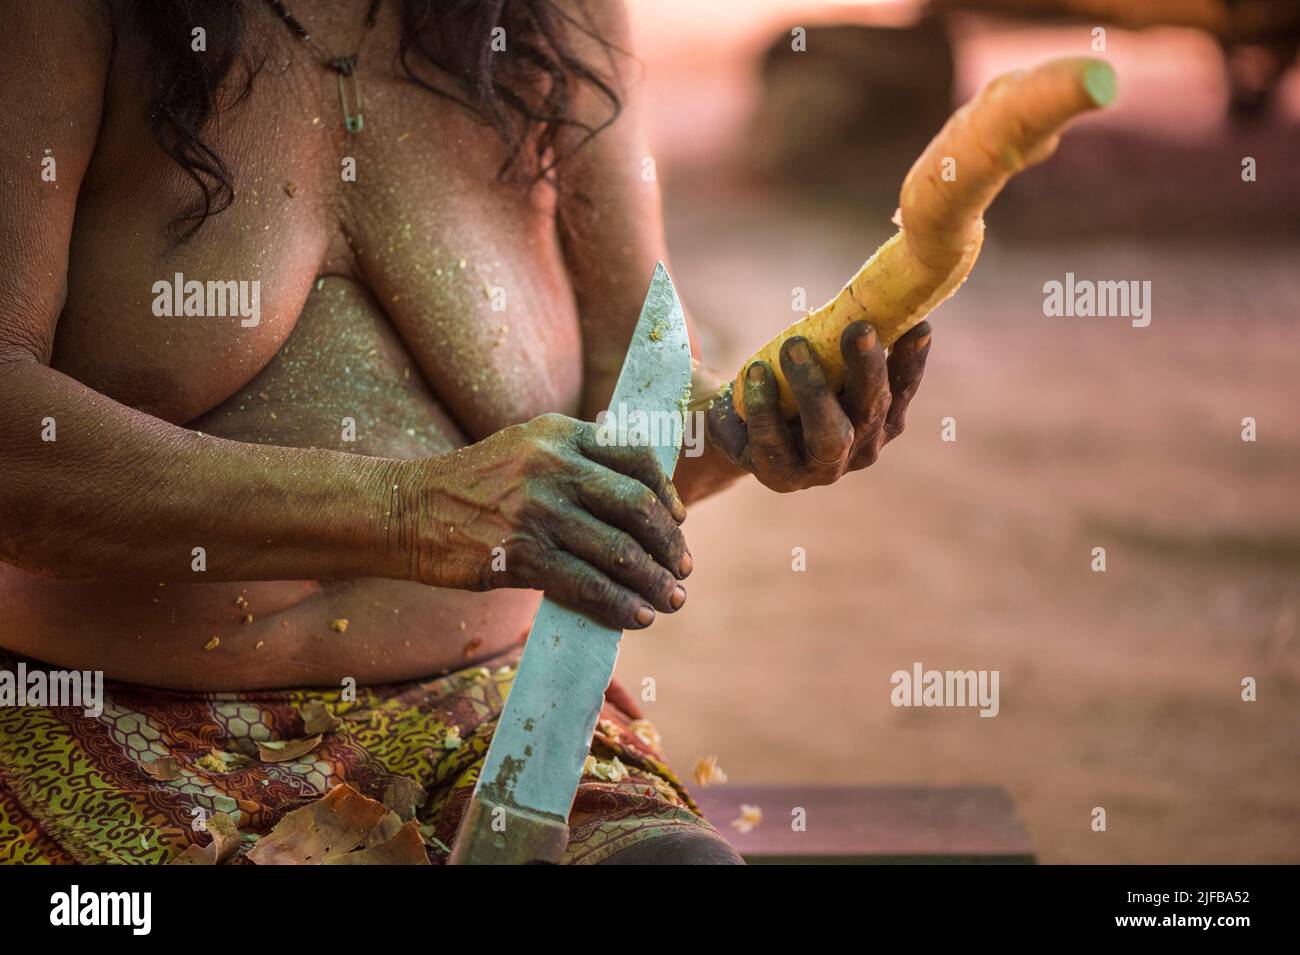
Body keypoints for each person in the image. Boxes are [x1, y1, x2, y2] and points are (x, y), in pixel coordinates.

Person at [0, 0, 930, 864]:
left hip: (509, 727)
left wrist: (748, 426)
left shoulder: (547, 21)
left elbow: (634, 397)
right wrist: (410, 510)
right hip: (98, 722)